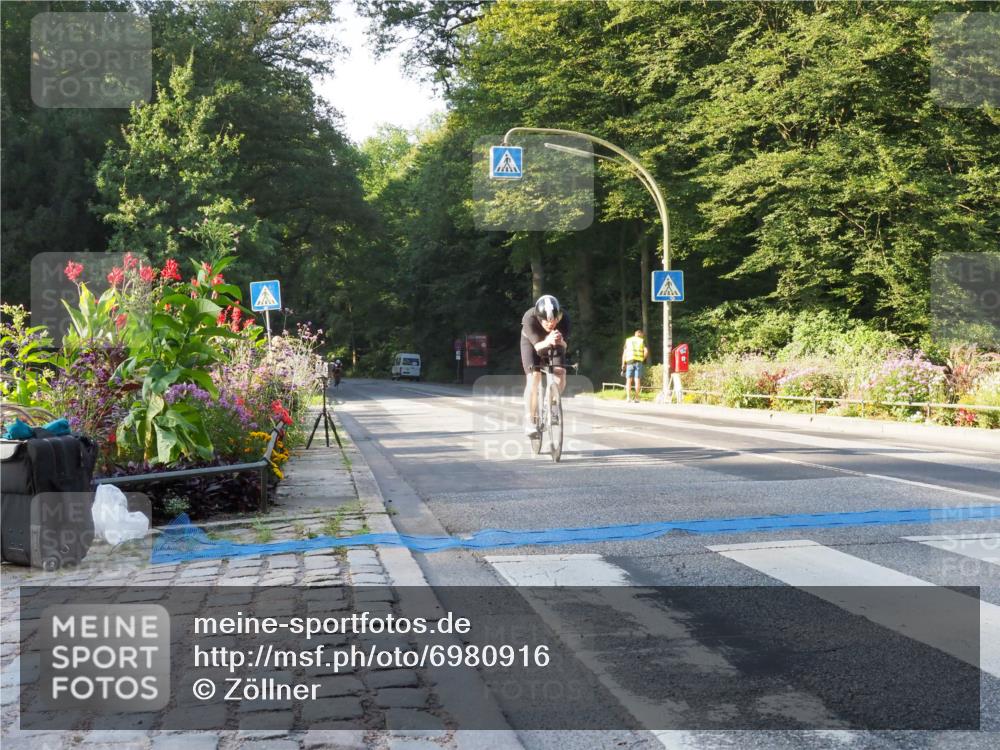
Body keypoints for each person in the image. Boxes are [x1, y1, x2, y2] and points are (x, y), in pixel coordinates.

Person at [521, 295, 570, 437]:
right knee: (534, 377)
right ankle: (530, 419)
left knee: (560, 372)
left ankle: (552, 405)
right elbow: (538, 348)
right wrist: (548, 339)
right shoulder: (529, 319)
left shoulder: (565, 319)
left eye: (555, 321)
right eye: (547, 322)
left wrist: (560, 341)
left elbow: (566, 346)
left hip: (555, 341)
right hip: (532, 343)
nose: (551, 324)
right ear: (539, 318)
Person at [621, 329, 648, 403]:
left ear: (635, 334)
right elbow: (646, 351)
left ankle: (628, 398)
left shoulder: (628, 340)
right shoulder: (641, 341)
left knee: (628, 380)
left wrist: (623, 364)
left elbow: (625, 353)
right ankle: (636, 398)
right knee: (637, 380)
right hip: (638, 362)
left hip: (629, 362)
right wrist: (642, 359)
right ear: (640, 334)